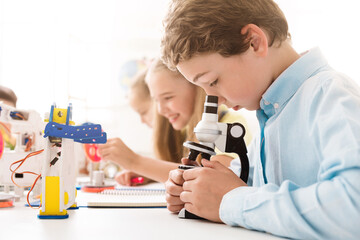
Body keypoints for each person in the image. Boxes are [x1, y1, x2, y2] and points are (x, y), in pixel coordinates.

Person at [161, 0, 360, 239]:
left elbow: (353, 205)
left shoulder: (330, 95)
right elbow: (247, 186)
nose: (214, 98)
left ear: (254, 42)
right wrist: (195, 190)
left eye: (212, 81)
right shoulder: (272, 114)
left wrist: (231, 201)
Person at [99, 58, 252, 185]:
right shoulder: (182, 132)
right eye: (157, 101)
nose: (160, 110)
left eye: (168, 98)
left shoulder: (231, 124)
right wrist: (150, 173)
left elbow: (220, 176)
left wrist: (136, 162)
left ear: (197, 88)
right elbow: (186, 171)